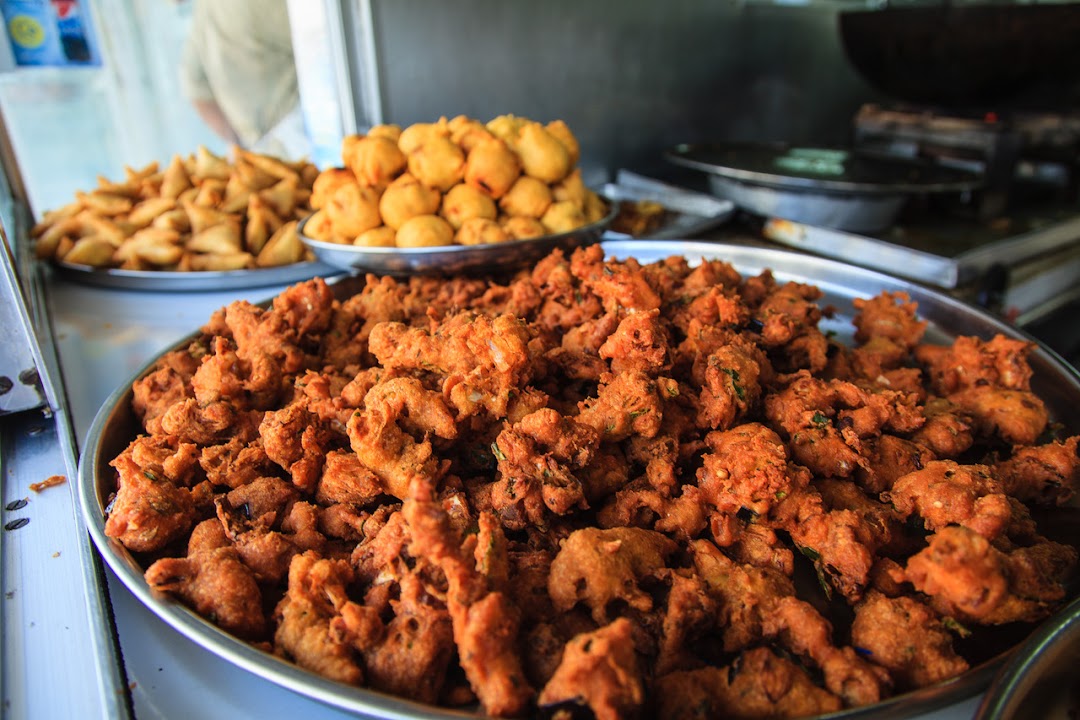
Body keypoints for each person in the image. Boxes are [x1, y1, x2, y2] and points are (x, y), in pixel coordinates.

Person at [179, 0, 308, 158]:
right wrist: (239, 144)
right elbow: (196, 87)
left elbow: (322, 36)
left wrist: (239, 143)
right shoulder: (203, 11)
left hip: (301, 136)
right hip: (280, 146)